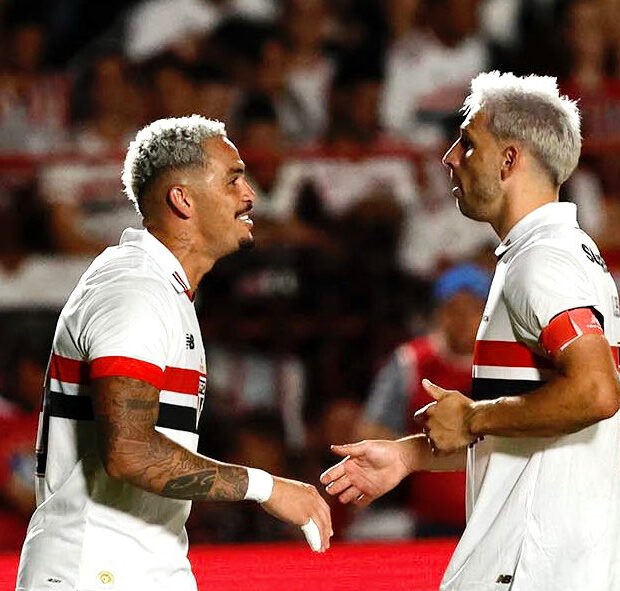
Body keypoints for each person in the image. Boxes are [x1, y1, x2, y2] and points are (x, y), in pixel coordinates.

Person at [321, 72, 620, 590]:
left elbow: (596, 393)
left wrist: (473, 415)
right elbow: (537, 423)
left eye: (467, 142)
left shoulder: (544, 262)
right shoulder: (554, 255)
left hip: (531, 569)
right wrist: (409, 454)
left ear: (508, 159)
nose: (450, 158)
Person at [16, 115, 332, 591]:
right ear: (182, 199)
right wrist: (266, 487)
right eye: (233, 179)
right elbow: (129, 450)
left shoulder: (163, 289)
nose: (250, 195)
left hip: (136, 566)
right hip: (97, 571)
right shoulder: (136, 291)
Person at [356, 263, 491, 535]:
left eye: (473, 310)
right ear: (439, 313)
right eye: (454, 310)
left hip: (494, 512)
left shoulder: (505, 361)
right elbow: (369, 431)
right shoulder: (411, 361)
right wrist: (428, 437)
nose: (463, 320)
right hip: (431, 515)